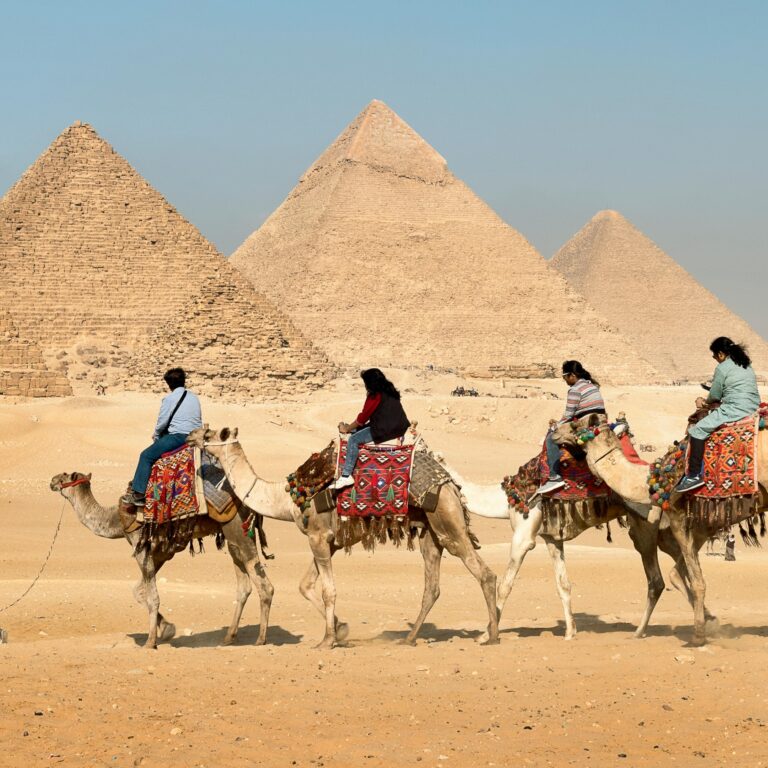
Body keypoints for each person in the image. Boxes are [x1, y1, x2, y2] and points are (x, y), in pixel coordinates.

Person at [676, 337, 760, 492]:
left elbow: (715, 395)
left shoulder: (722, 367)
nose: (715, 359)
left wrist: (703, 402)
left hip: (736, 408)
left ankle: (694, 476)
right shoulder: (746, 364)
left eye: (714, 356)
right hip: (753, 406)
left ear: (721, 354)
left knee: (698, 430)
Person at [124, 368, 203, 506]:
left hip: (179, 437)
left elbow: (162, 422)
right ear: (184, 381)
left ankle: (138, 495)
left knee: (146, 456)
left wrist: (156, 435)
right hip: (196, 436)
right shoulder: (194, 398)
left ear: (169, 384)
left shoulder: (169, 399)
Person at [332, 368, 410, 491]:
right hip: (399, 426)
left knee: (353, 439)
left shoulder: (375, 395)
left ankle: (346, 475)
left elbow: (362, 418)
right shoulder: (389, 390)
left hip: (385, 429)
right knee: (357, 430)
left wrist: (347, 428)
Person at [537, 360, 606, 495]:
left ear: (572, 375)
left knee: (551, 438)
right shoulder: (592, 386)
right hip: (600, 423)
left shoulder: (574, 390)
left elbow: (568, 415)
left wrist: (554, 427)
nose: (565, 380)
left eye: (565, 377)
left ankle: (554, 477)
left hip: (586, 425)